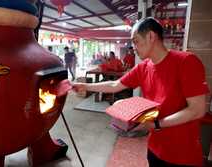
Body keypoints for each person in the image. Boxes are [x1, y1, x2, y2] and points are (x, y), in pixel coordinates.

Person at [73, 17, 210, 167]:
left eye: (136, 41)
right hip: (155, 147)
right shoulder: (144, 67)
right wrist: (85, 86)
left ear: (151, 36)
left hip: (182, 154)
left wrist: (157, 124)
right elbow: (115, 84)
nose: (133, 47)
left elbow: (197, 110)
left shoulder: (186, 62)